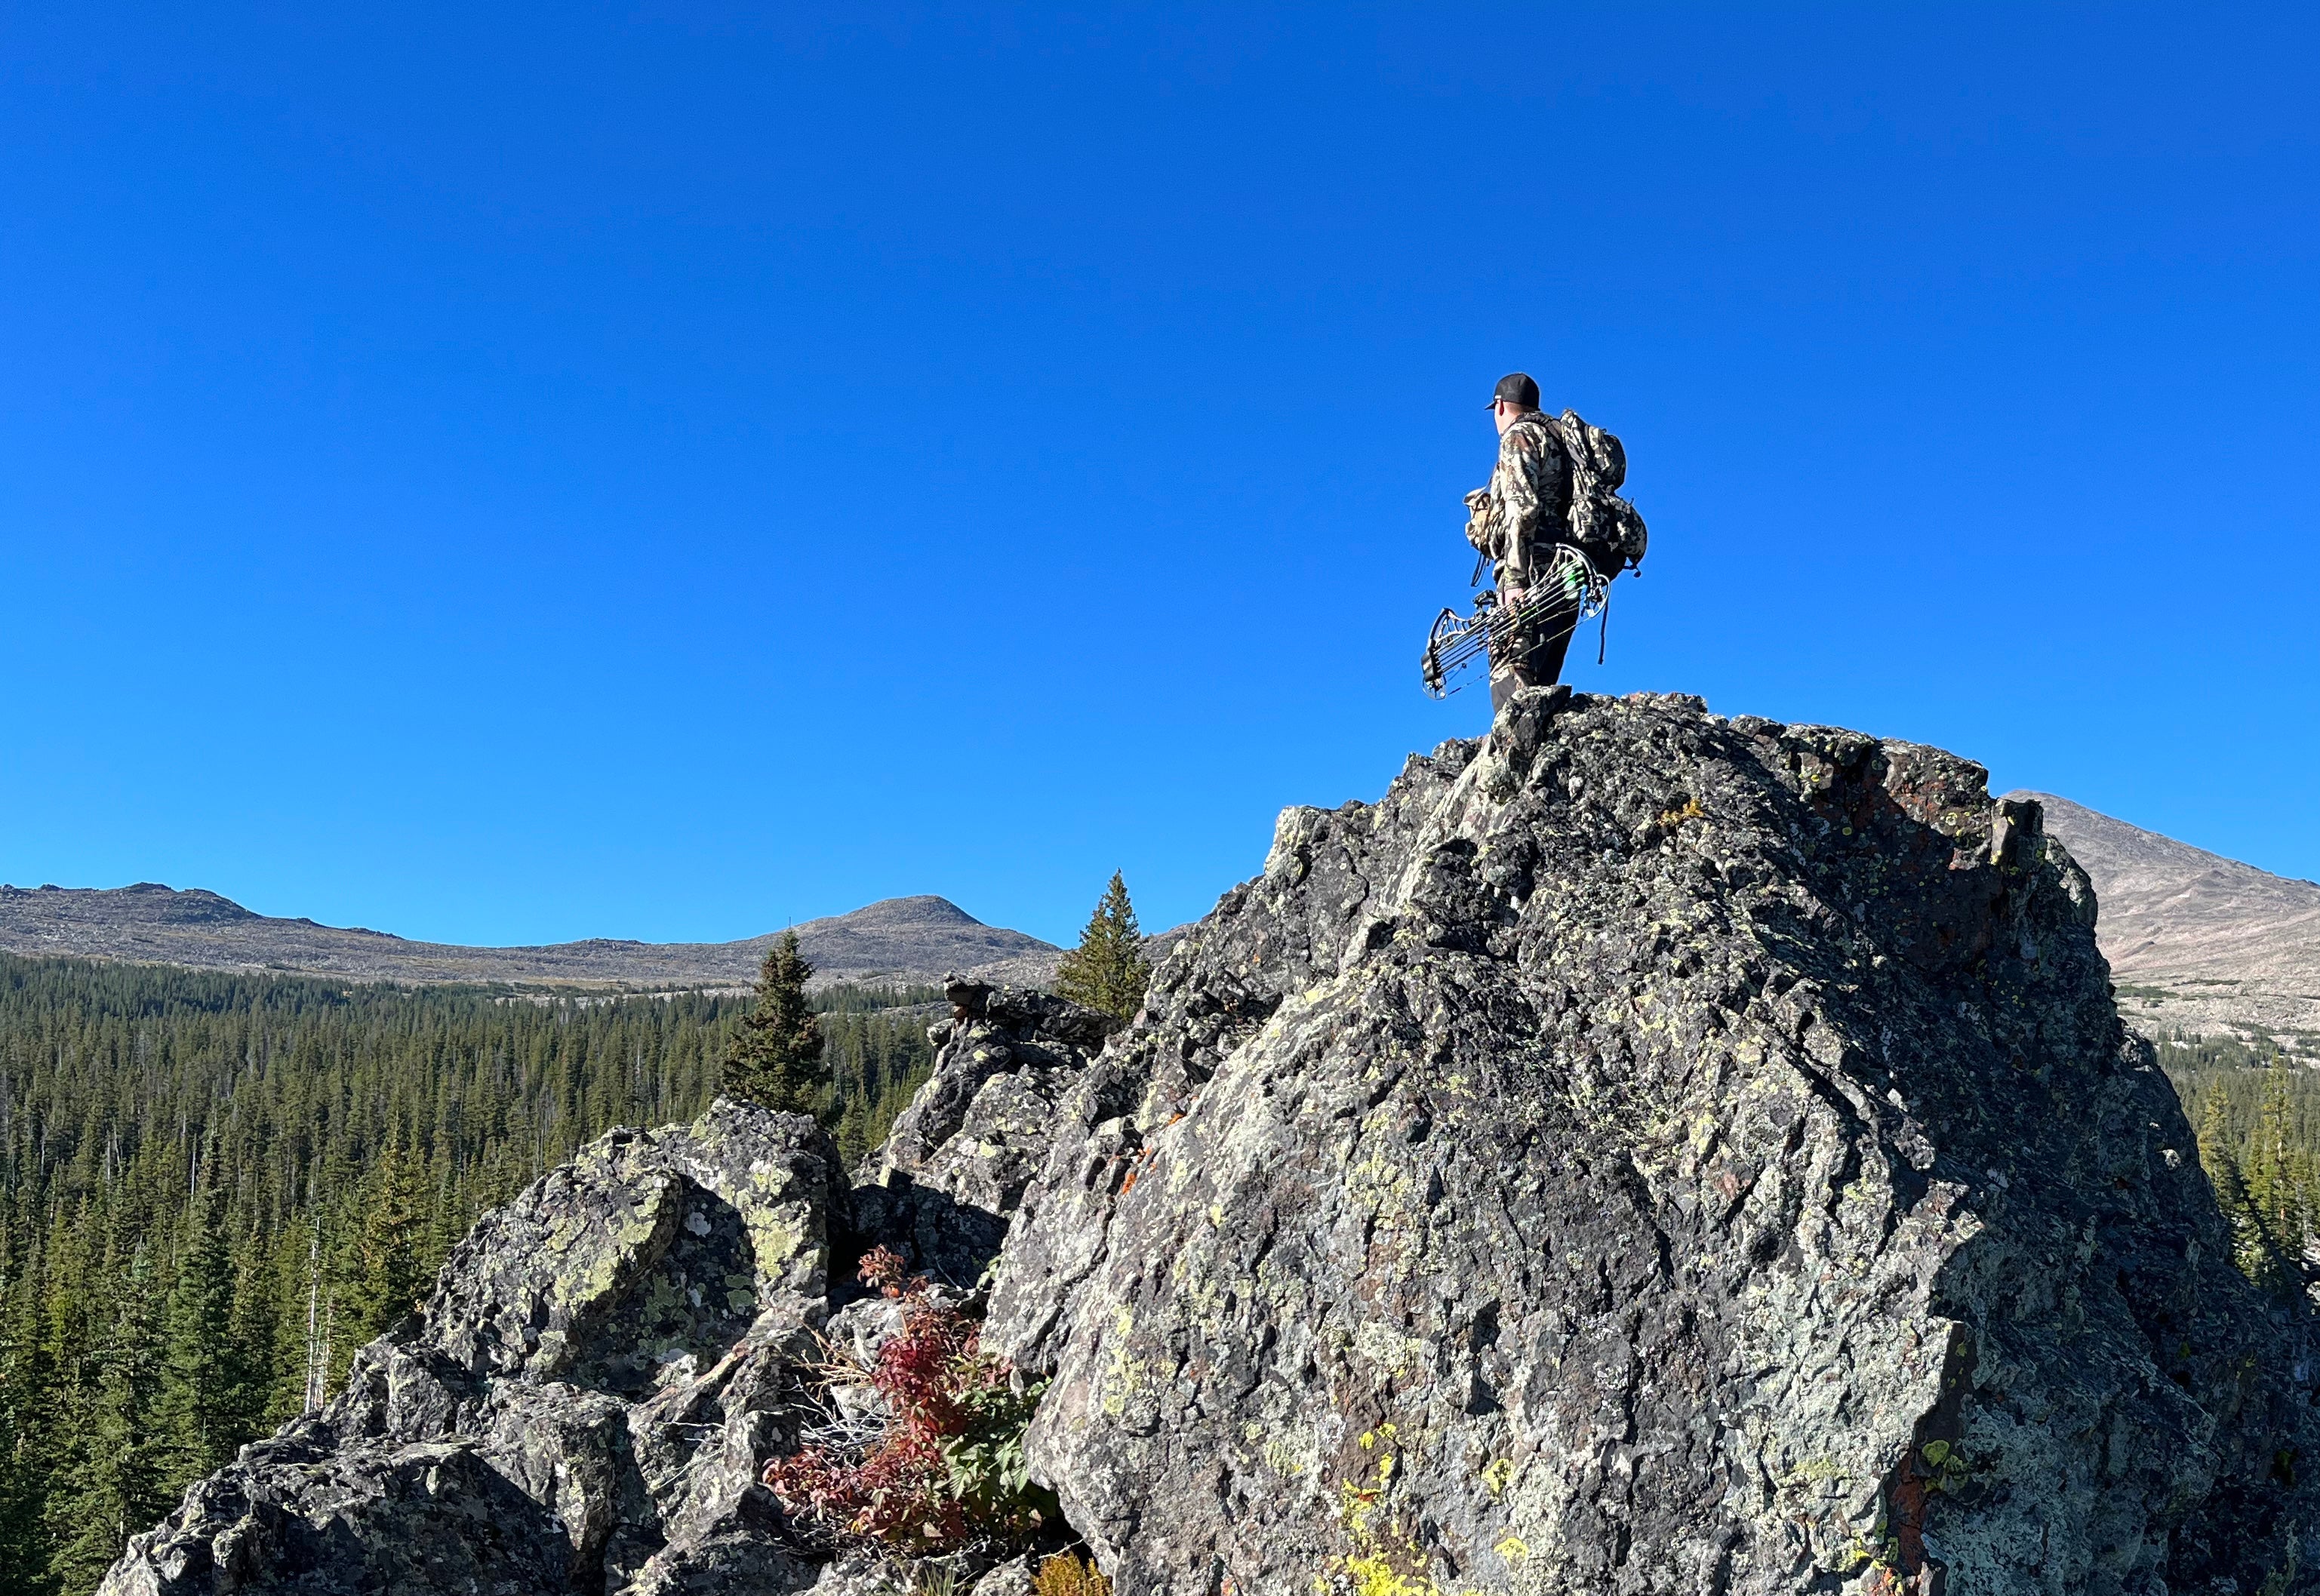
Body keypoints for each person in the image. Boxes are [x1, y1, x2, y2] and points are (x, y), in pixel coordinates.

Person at [1463, 372, 1575, 711]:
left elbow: (1521, 509)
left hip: (1532, 568)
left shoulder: (1518, 437)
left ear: (1499, 406)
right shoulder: (1559, 440)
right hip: (1568, 569)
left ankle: (1514, 753)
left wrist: (1514, 579)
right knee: (1542, 675)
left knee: (1509, 662)